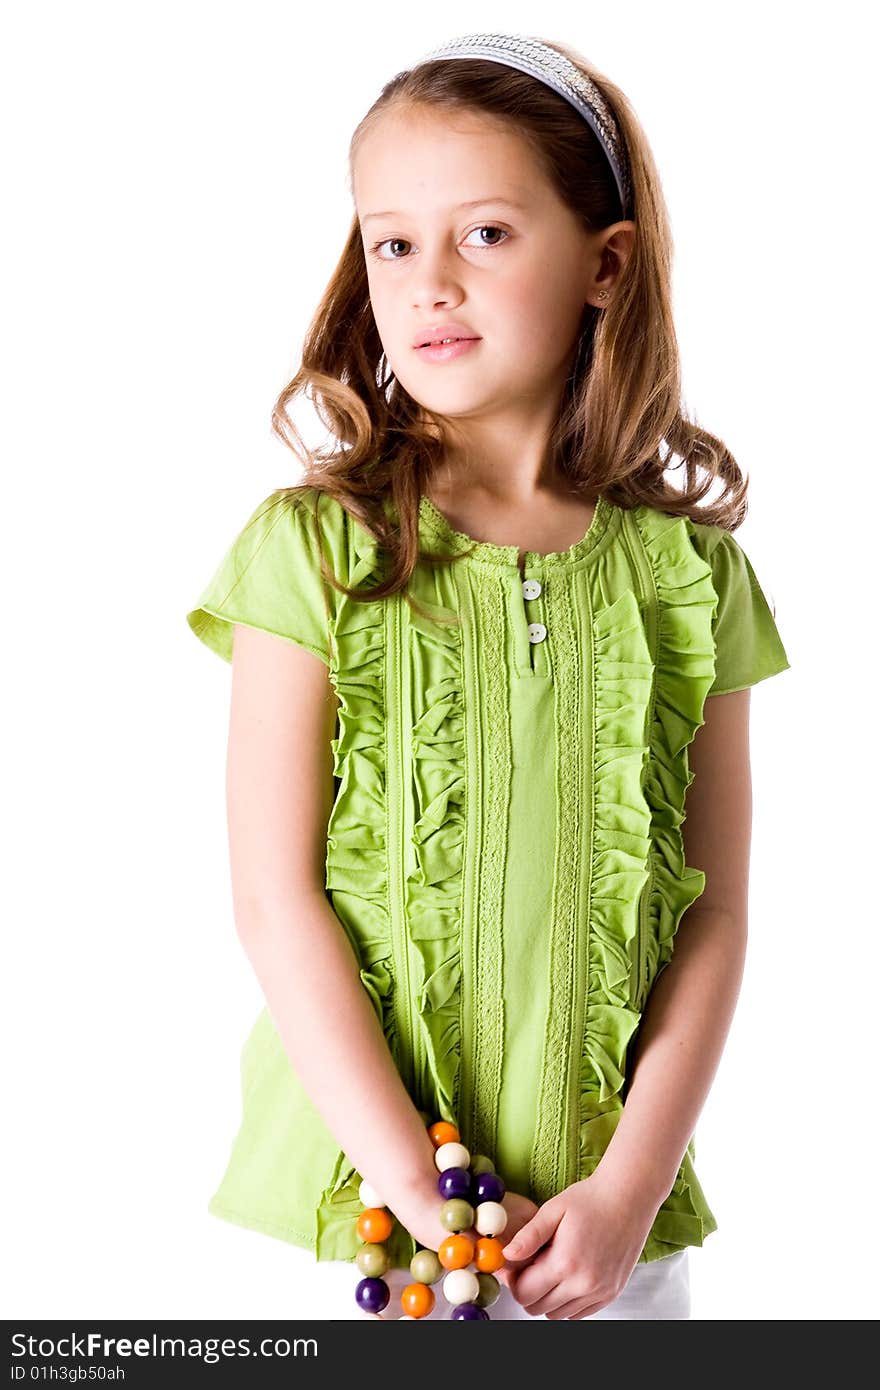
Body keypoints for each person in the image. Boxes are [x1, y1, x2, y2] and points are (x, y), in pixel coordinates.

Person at [185, 32, 791, 1321]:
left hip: (603, 1245)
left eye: (489, 235)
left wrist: (630, 1191)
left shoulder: (691, 578)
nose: (430, 284)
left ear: (606, 266)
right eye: (393, 243)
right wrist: (415, 1187)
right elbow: (272, 897)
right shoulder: (314, 551)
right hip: (357, 1235)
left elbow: (717, 916)